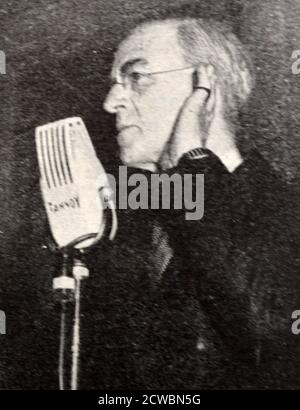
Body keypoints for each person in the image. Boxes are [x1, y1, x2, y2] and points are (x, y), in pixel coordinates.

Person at [82, 17, 300, 389]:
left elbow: (272, 337)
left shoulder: (286, 209)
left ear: (205, 87)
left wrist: (193, 164)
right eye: (115, 84)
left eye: (137, 77)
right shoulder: (132, 223)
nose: (110, 103)